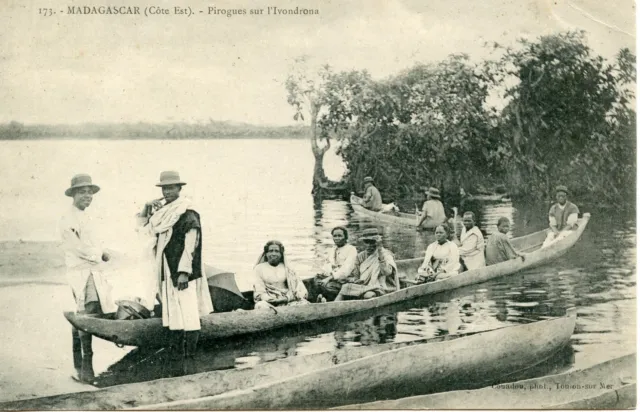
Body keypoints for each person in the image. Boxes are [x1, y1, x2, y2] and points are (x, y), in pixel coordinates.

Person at [138, 171, 213, 358]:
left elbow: (191, 244)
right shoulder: (162, 212)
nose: (167, 191)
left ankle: (191, 357)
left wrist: (184, 272)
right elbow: (144, 231)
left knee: (189, 313)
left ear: (180, 188)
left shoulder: (187, 211)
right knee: (173, 312)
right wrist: (146, 209)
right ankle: (178, 354)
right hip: (166, 268)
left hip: (181, 270)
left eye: (171, 187)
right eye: (164, 188)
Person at [59, 174, 113, 384]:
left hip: (91, 270)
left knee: (85, 313)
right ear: (73, 194)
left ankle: (80, 365)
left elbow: (92, 242)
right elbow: (76, 247)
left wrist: (102, 251)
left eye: (90, 193)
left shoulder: (86, 216)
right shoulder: (68, 219)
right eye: (82, 192)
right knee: (86, 313)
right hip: (80, 271)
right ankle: (86, 366)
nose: (87, 196)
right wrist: (99, 254)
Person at [335, 228, 398, 301]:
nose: (369, 245)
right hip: (364, 286)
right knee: (345, 287)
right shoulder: (360, 256)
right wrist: (355, 280)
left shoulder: (386, 255)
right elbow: (357, 276)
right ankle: (333, 306)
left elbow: (387, 272)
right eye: (366, 242)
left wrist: (380, 252)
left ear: (377, 243)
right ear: (364, 242)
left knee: (368, 295)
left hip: (381, 286)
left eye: (372, 242)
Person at [253, 240, 309, 310]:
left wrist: (286, 299)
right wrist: (271, 300)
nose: (273, 254)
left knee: (304, 304)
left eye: (276, 251)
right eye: (270, 251)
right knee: (260, 306)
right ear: (266, 254)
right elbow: (259, 291)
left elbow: (298, 289)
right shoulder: (259, 268)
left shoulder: (288, 268)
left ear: (281, 254)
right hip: (269, 302)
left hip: (288, 300)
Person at [313, 226, 358, 301]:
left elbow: (346, 270)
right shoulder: (332, 250)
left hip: (345, 280)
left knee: (328, 286)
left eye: (339, 236)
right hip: (332, 278)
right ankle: (321, 298)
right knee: (315, 280)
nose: (337, 238)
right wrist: (324, 274)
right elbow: (327, 266)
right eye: (335, 236)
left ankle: (327, 299)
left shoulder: (351, 249)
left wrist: (328, 278)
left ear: (345, 237)